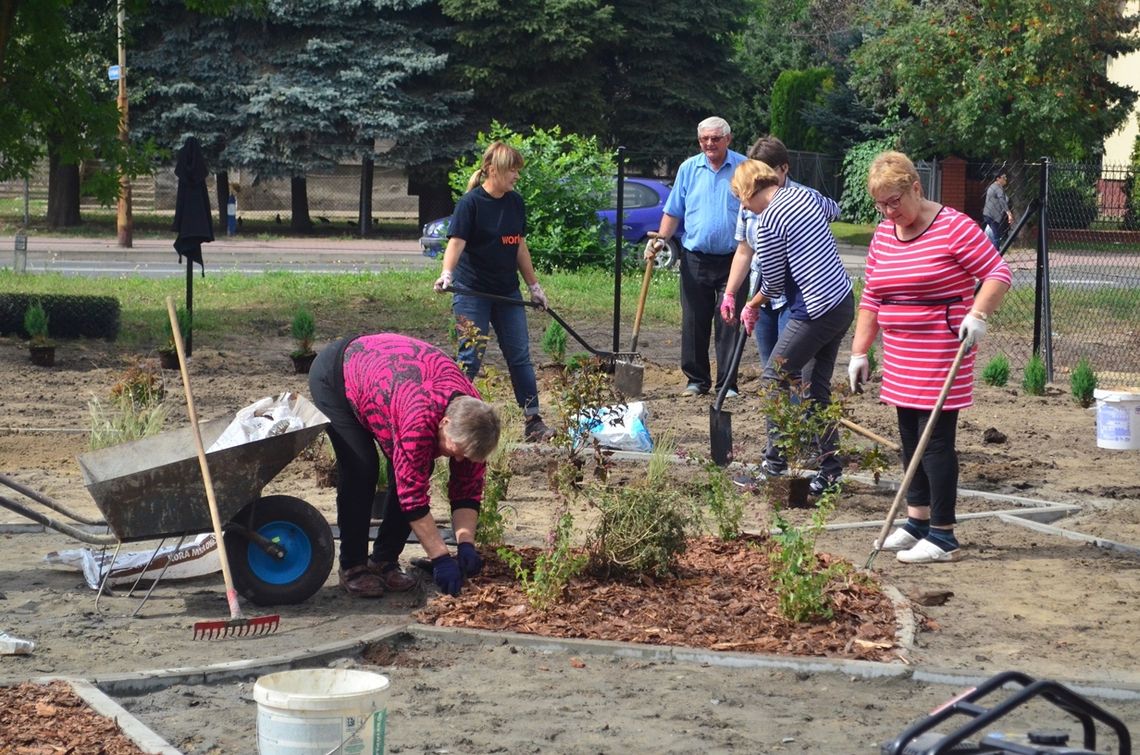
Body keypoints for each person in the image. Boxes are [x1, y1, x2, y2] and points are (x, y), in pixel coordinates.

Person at [849, 151, 1011, 564]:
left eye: (894, 202)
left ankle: (943, 535)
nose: (889, 212)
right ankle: (916, 522)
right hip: (901, 353)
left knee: (934, 441)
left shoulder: (954, 226)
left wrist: (977, 313)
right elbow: (872, 296)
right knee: (909, 437)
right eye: (880, 205)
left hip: (942, 349)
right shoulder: (885, 234)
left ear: (916, 188)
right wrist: (859, 351)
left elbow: (998, 274)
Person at [308, 332, 501, 597]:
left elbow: (467, 487)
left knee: (419, 467)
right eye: (455, 451)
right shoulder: (420, 416)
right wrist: (441, 558)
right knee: (362, 468)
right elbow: (411, 494)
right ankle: (353, 565)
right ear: (444, 423)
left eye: (464, 456)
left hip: (388, 380)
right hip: (338, 375)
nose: (457, 460)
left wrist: (466, 543)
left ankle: (384, 561)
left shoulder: (476, 419)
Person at [730, 159, 854, 494]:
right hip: (841, 301)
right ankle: (830, 472)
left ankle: (775, 465)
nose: (743, 205)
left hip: (814, 310)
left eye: (741, 198)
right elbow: (835, 208)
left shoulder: (768, 219)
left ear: (750, 189)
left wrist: (751, 305)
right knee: (815, 389)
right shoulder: (806, 196)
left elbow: (772, 284)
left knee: (774, 378)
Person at [433, 141, 554, 442]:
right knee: (471, 356)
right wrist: (447, 274)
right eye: (511, 169)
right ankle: (452, 419)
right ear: (491, 169)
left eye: (517, 170)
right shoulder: (471, 203)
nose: (516, 176)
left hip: (506, 292)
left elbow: (519, 246)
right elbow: (457, 242)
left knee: (519, 355)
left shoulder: (515, 203)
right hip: (473, 292)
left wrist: (534, 286)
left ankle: (533, 421)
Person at [646, 116, 747, 398]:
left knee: (729, 320)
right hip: (695, 258)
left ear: (728, 138)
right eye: (704, 139)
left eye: (715, 138)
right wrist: (661, 241)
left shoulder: (743, 168)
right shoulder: (689, 169)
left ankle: (727, 384)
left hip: (734, 259)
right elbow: (673, 210)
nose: (709, 144)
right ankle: (696, 381)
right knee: (694, 320)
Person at [721, 135, 841, 370]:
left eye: (764, 170)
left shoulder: (803, 196)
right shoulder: (748, 203)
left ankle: (795, 407)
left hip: (795, 297)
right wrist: (730, 293)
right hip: (763, 293)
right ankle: (778, 408)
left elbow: (833, 211)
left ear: (783, 168)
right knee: (771, 366)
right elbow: (745, 251)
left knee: (788, 368)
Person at [982, 169, 1013, 248]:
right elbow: (1002, 200)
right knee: (996, 237)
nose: (1005, 179)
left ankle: (987, 251)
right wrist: (1009, 213)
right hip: (992, 216)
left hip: (988, 214)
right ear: (998, 179)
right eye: (1003, 177)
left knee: (989, 235)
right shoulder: (998, 188)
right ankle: (996, 254)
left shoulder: (993, 186)